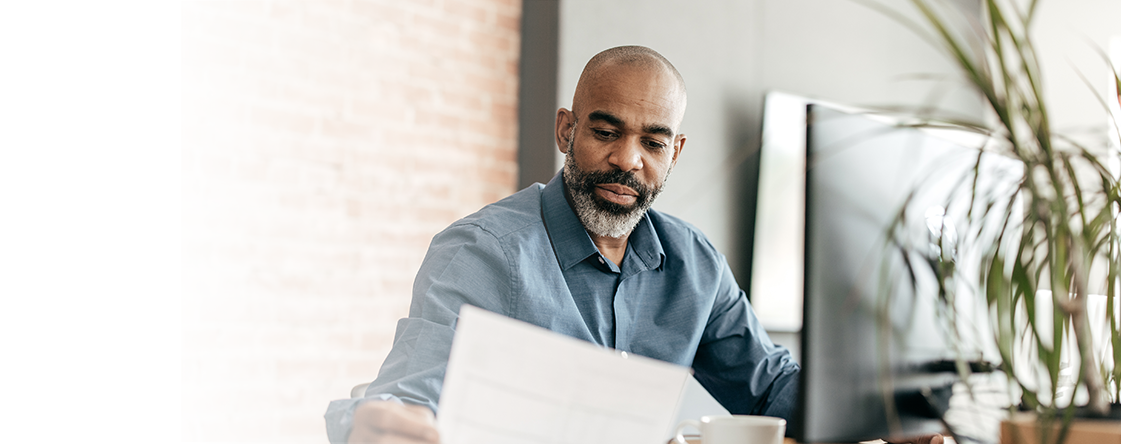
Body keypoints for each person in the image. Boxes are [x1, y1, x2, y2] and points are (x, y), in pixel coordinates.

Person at [324, 45, 800, 444]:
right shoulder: (483, 252)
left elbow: (770, 386)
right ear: (566, 130)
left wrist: (871, 405)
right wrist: (370, 425)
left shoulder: (695, 263)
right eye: (606, 133)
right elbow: (412, 397)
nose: (627, 159)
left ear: (673, 152)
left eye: (653, 144)